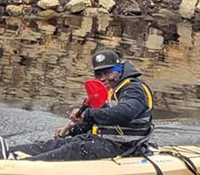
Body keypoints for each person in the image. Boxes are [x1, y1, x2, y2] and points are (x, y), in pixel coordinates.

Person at [10, 50, 153, 161]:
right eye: (98, 74)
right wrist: (73, 131)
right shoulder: (105, 91)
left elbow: (126, 112)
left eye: (108, 72)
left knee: (74, 149)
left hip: (125, 147)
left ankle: (21, 166)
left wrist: (87, 114)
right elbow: (92, 122)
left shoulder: (134, 88)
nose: (103, 78)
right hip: (102, 141)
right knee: (56, 144)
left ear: (119, 69)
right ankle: (6, 151)